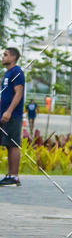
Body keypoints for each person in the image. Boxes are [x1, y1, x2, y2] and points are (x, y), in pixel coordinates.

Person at [0, 47, 25, 187]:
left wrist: (9, 111)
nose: (2, 57)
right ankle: (9, 175)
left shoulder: (17, 72)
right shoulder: (8, 73)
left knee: (13, 144)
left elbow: (18, 93)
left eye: (5, 55)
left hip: (13, 115)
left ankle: (14, 177)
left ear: (13, 57)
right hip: (3, 115)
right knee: (8, 145)